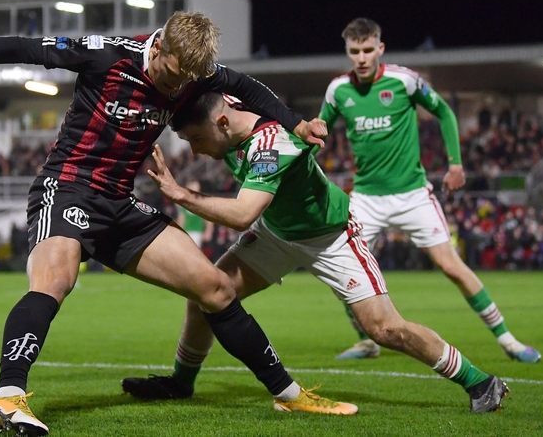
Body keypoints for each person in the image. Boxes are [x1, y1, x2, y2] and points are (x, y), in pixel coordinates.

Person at [0, 11, 341, 437]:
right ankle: (8, 397)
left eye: (190, 77)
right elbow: (23, 47)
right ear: (160, 44)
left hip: (119, 206)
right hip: (68, 188)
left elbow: (248, 86)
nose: (180, 84)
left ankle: (289, 394)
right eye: (175, 71)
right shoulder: (106, 55)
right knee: (55, 281)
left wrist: (296, 124)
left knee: (215, 288)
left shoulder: (194, 73)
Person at [121, 92, 509, 413]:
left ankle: (481, 383)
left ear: (222, 123)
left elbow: (241, 215)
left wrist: (182, 195)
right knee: (206, 291)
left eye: (196, 140)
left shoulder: (272, 146)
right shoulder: (231, 109)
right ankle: (181, 384)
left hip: (330, 237)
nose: (195, 151)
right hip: (276, 231)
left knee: (385, 329)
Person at [318, 18, 540, 362]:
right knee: (344, 272)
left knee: (451, 266)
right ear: (347, 52)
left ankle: (508, 340)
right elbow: (320, 133)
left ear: (380, 48)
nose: (361, 58)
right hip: (365, 198)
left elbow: (445, 112)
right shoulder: (337, 90)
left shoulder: (404, 80)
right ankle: (366, 340)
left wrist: (455, 163)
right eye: (354, 51)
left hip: (413, 195)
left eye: (367, 50)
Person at [175, 180, 214, 248]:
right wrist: (178, 232)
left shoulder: (201, 204)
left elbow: (209, 219)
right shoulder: (183, 204)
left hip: (197, 232)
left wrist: (208, 231)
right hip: (186, 232)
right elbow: (181, 219)